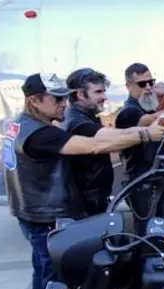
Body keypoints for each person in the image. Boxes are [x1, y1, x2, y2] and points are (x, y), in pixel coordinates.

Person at [2, 72, 164, 289]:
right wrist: (146, 134)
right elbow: (93, 146)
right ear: (34, 101)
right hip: (46, 215)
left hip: (33, 212)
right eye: (57, 99)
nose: (64, 103)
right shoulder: (41, 133)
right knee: (54, 275)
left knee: (42, 268)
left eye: (65, 97)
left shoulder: (23, 124)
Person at [115, 63, 164, 228]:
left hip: (156, 178)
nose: (148, 87)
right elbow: (148, 120)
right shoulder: (129, 111)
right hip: (142, 181)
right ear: (129, 86)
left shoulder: (147, 107)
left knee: (160, 229)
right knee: (147, 230)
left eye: (151, 82)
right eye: (142, 84)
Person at [61, 68, 114, 216]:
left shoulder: (85, 116)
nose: (104, 97)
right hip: (87, 203)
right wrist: (147, 133)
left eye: (103, 92)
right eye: (98, 92)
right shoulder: (77, 122)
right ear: (80, 94)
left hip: (94, 199)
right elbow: (111, 139)